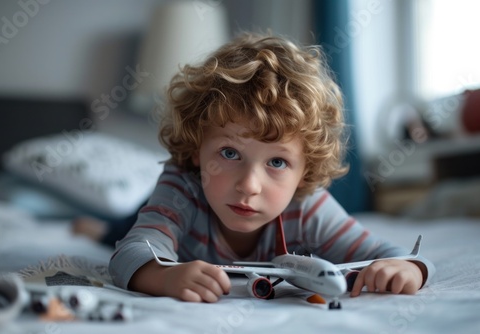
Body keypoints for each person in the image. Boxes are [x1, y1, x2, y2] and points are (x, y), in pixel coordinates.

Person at [108, 32, 435, 303]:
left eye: (277, 162)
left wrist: (409, 269)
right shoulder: (182, 187)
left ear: (304, 172)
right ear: (196, 148)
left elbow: (393, 255)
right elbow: (130, 253)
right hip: (172, 211)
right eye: (229, 153)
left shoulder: (308, 207)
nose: (249, 185)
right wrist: (164, 276)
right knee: (116, 230)